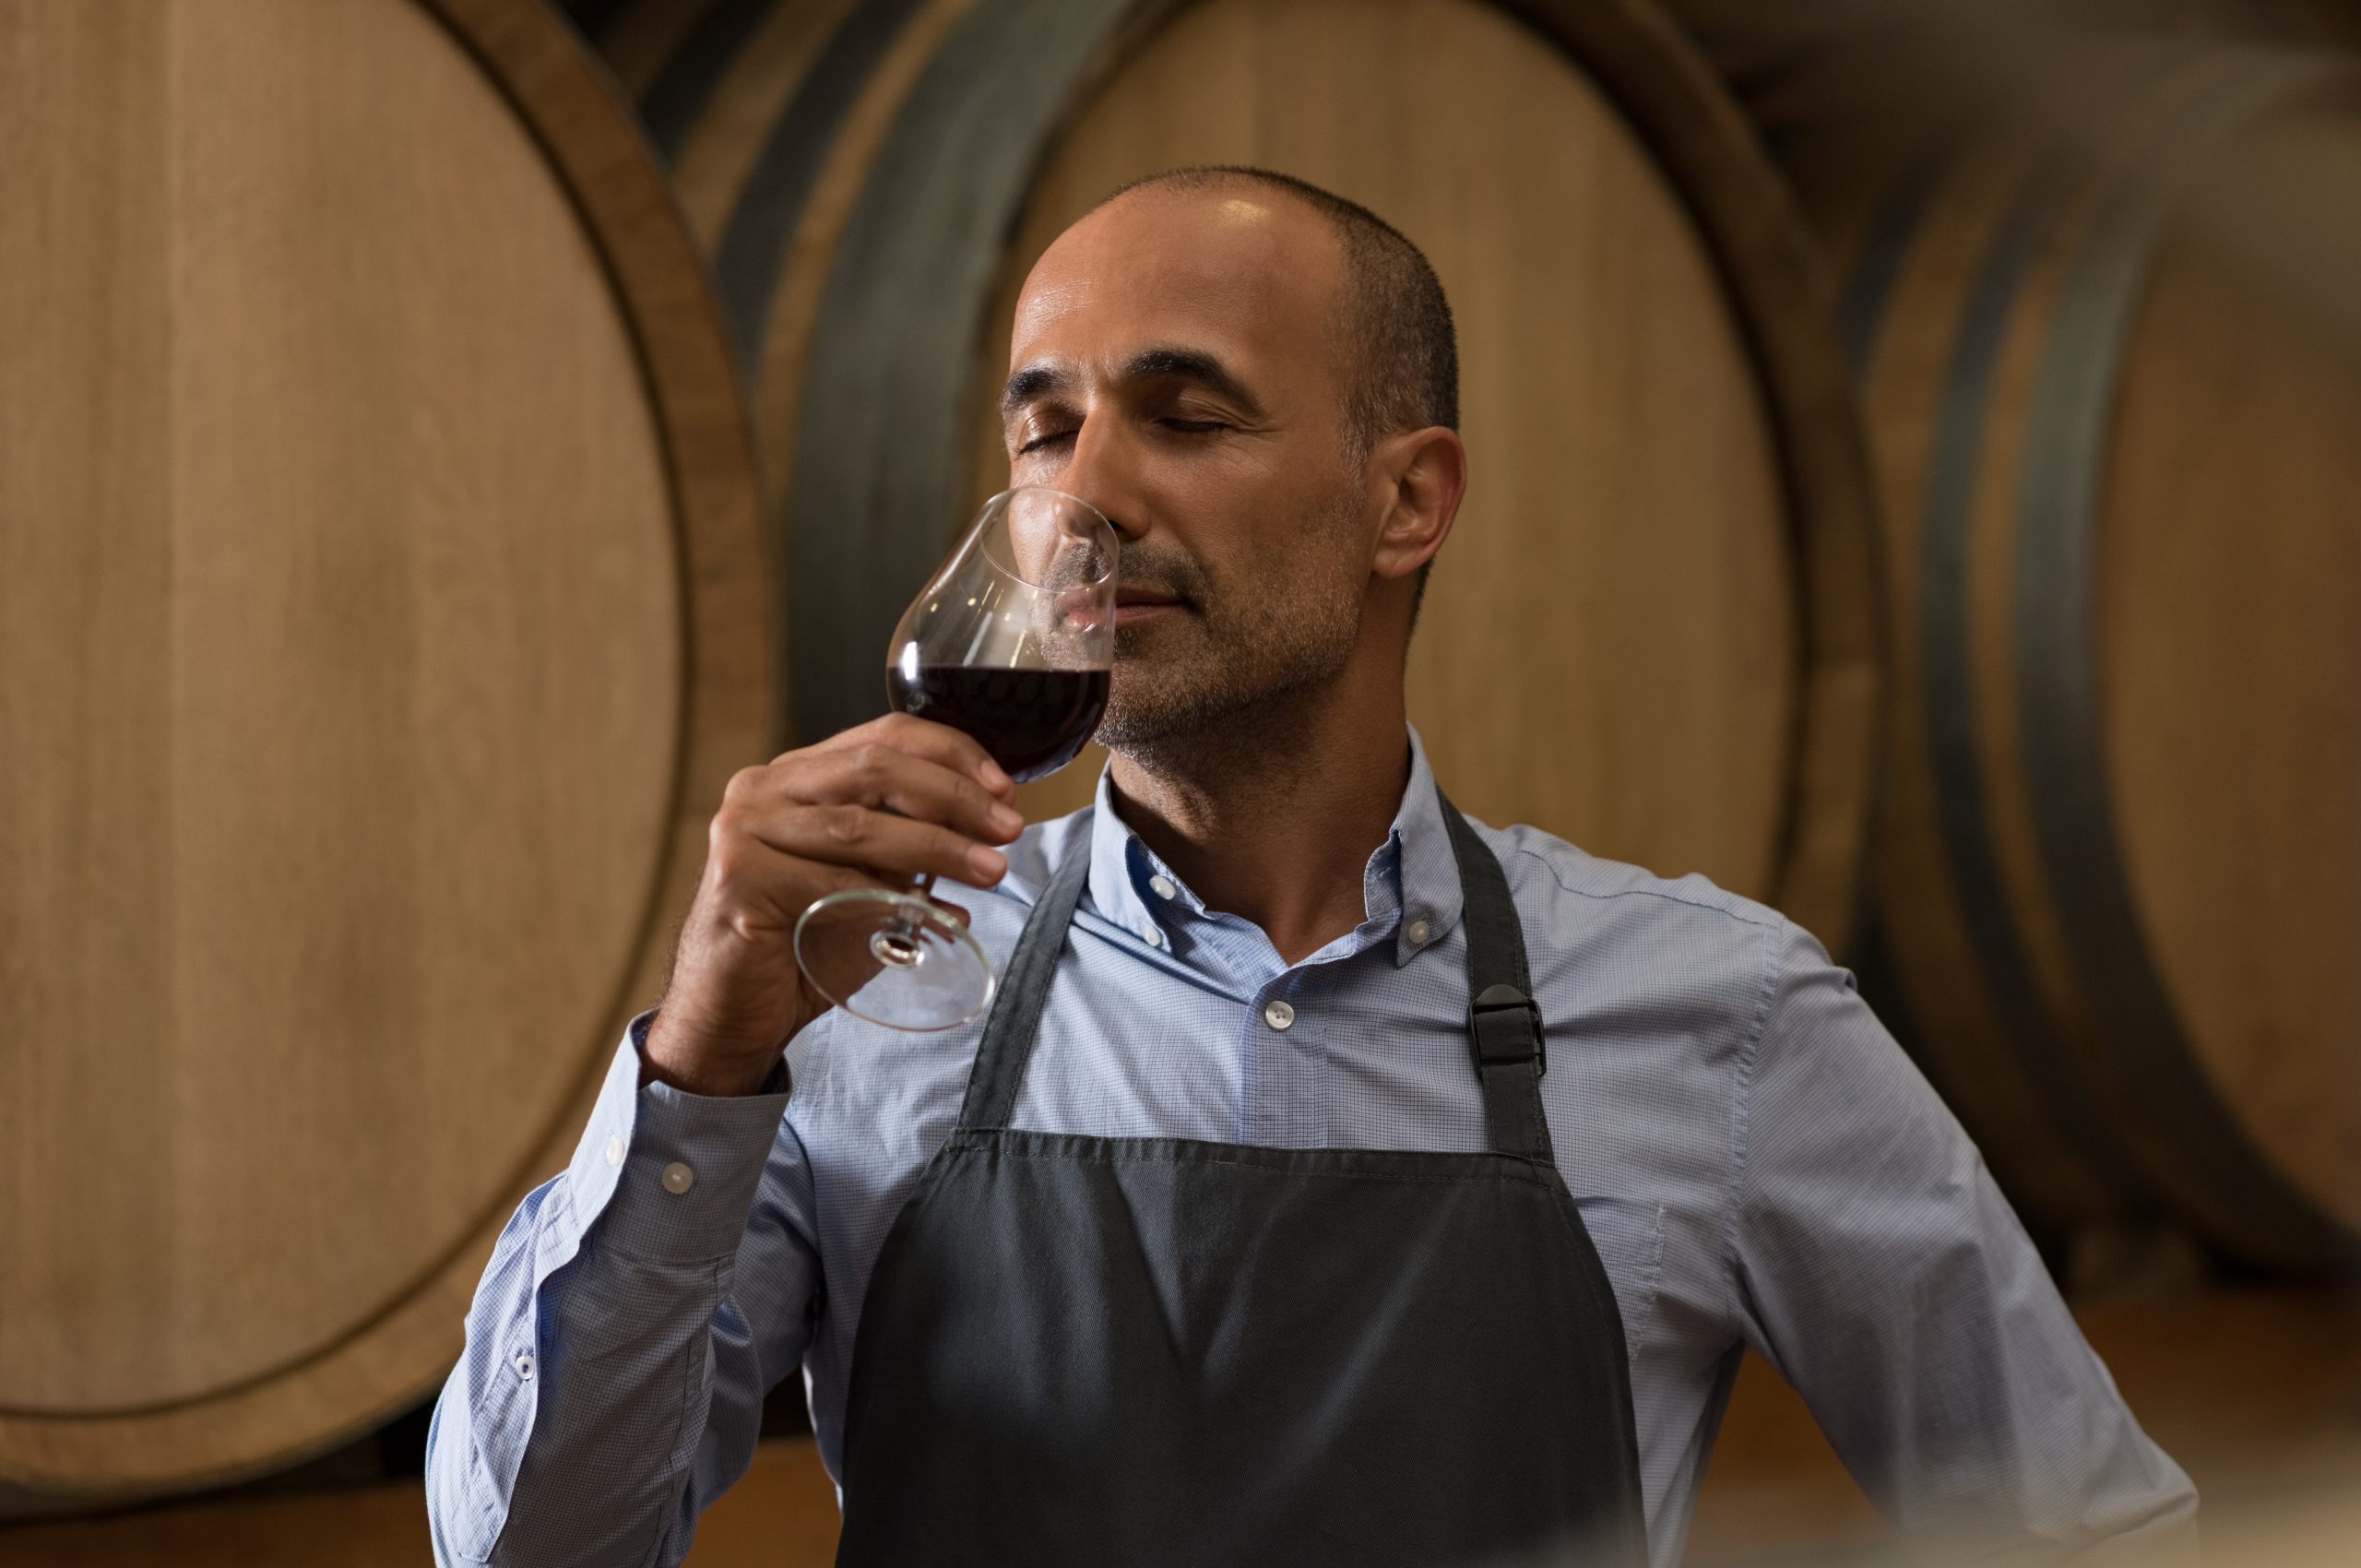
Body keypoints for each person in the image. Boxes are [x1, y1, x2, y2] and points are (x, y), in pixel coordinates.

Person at [424, 166, 2197, 1567]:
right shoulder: (856, 1004)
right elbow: (528, 1555)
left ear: (1406, 501)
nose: (1086, 492)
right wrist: (699, 1062)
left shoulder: (1723, 1023)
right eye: (1045, 427)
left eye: (1185, 415)